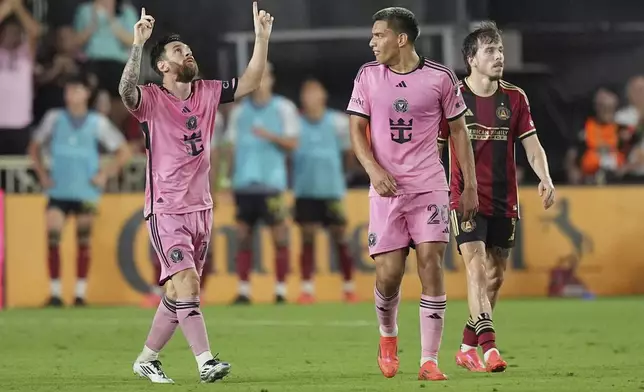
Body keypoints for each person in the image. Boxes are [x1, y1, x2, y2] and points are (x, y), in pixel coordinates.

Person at [118, 3, 273, 384]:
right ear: (164, 67)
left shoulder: (206, 92)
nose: (187, 53)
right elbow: (125, 92)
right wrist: (138, 44)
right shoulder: (151, 99)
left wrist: (262, 38)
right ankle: (205, 361)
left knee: (178, 290)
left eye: (187, 49)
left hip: (201, 207)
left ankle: (147, 359)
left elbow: (250, 82)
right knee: (187, 284)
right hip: (166, 208)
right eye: (177, 51)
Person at [347, 7, 478, 381]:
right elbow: (356, 130)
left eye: (378, 35)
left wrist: (467, 185)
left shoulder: (440, 78)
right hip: (386, 189)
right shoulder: (368, 76)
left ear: (400, 39)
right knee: (388, 275)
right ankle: (388, 337)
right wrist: (373, 169)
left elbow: (458, 133)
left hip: (429, 186)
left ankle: (428, 360)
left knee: (430, 264)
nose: (372, 42)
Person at [437, 21, 555, 373]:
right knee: (474, 268)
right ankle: (490, 349)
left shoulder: (515, 98)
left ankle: (465, 347)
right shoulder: (452, 97)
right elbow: (436, 149)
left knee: (495, 277)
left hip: (505, 200)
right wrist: (436, 191)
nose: (499, 56)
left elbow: (532, 145)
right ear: (471, 58)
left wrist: (545, 177)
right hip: (465, 198)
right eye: (490, 50)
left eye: (500, 50)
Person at [28, 74, 131, 307]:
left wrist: (105, 174)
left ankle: (80, 293)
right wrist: (42, 174)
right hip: (59, 190)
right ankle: (54, 293)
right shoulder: (54, 118)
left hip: (86, 191)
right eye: (69, 91)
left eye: (77, 90)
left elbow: (123, 151)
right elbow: (34, 147)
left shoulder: (98, 122)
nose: (72, 95)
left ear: (86, 94)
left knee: (83, 238)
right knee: (53, 234)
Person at [223, 62, 299, 305]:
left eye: (264, 76)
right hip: (244, 184)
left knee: (279, 236)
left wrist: (270, 136)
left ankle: (281, 290)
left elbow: (292, 143)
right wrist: (225, 181)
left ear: (271, 79)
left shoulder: (283, 108)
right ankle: (244, 290)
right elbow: (230, 149)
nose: (260, 81)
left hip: (272, 184)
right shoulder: (239, 112)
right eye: (256, 76)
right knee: (243, 236)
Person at [293, 78, 356, 304]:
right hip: (305, 190)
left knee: (340, 238)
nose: (310, 98)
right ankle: (307, 289)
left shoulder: (337, 122)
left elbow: (349, 153)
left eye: (314, 93)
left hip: (331, 189)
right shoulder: (295, 123)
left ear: (323, 97)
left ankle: (349, 287)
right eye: (306, 94)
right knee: (307, 238)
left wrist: (345, 176)